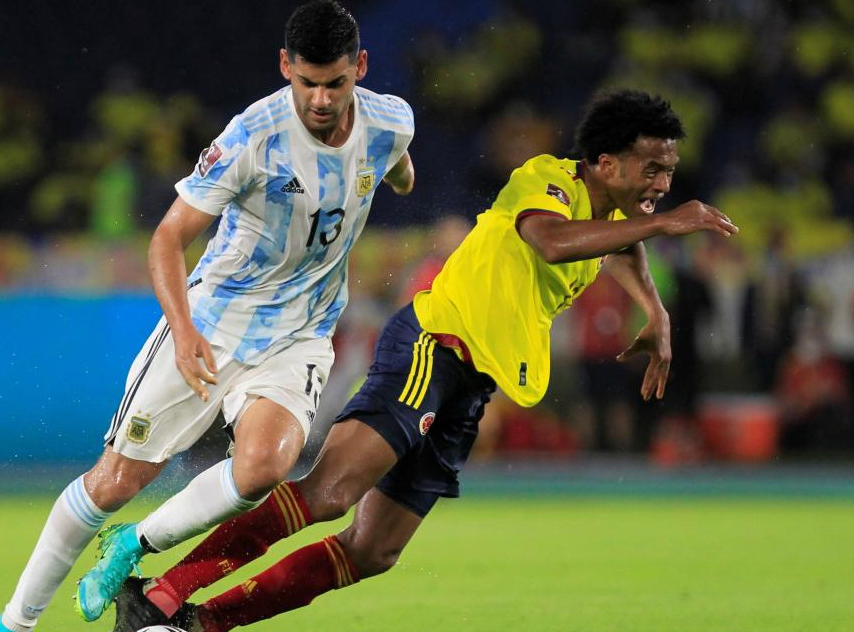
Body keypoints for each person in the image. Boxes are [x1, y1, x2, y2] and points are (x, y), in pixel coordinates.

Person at [110, 89, 738, 632]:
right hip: (434, 345)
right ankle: (163, 593)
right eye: (653, 169)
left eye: (669, 173)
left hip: (475, 382)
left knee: (373, 550)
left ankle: (201, 622)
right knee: (329, 492)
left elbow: (623, 246)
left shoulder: (615, 215)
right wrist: (665, 225)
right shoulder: (548, 178)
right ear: (606, 163)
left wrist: (654, 313)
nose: (663, 185)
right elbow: (551, 242)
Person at [0, 2, 415, 630]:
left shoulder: (390, 120)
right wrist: (184, 331)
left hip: (301, 333)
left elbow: (396, 162)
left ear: (361, 69)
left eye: (336, 83)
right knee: (112, 484)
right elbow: (166, 238)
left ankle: (136, 543)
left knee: (264, 468)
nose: (321, 99)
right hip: (214, 324)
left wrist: (396, 174)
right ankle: (13, 624)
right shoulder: (252, 138)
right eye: (307, 83)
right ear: (284, 68)